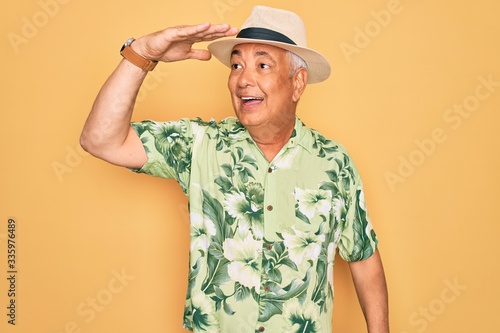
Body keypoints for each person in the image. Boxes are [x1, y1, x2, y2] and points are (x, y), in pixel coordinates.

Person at [80, 5, 389, 333]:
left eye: (262, 64)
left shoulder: (334, 164)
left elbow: (363, 257)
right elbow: (99, 140)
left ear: (297, 83)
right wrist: (142, 53)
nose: (244, 79)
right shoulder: (200, 144)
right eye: (237, 64)